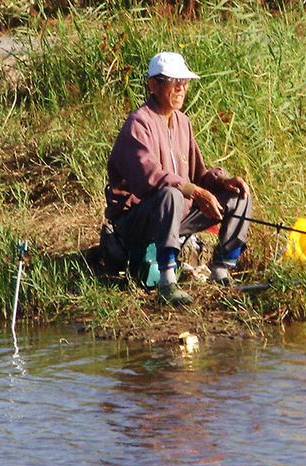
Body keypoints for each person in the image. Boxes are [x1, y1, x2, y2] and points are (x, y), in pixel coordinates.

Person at [104, 52, 252, 306]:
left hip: (175, 217)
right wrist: (193, 191)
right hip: (137, 220)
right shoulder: (138, 123)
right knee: (171, 193)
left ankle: (222, 270)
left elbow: (198, 175)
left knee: (238, 195)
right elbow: (149, 178)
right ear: (154, 84)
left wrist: (222, 182)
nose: (182, 88)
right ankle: (167, 280)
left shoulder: (183, 122)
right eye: (174, 82)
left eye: (184, 82)